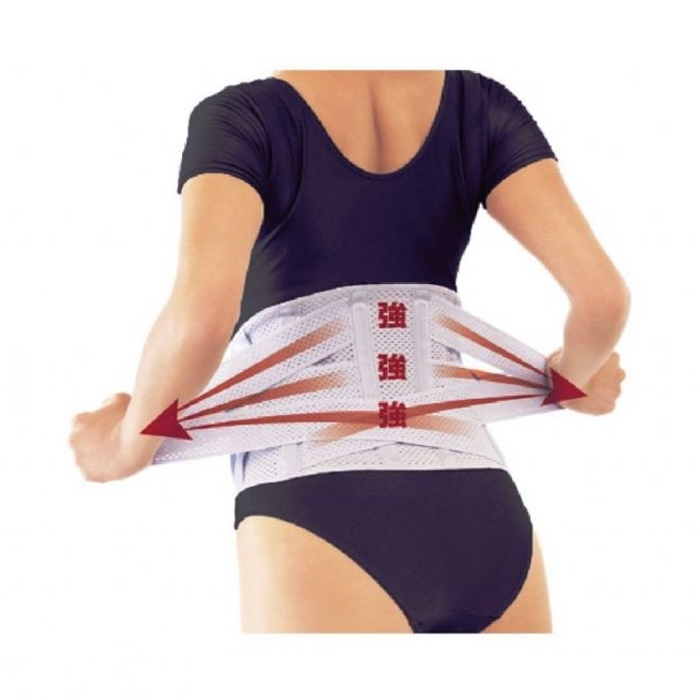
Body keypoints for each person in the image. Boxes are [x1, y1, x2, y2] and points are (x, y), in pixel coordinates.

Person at [69, 70, 629, 633]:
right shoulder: (479, 102)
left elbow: (201, 322)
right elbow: (603, 299)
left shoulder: (241, 117)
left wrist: (125, 445)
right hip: (484, 512)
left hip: (315, 503)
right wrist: (570, 380)